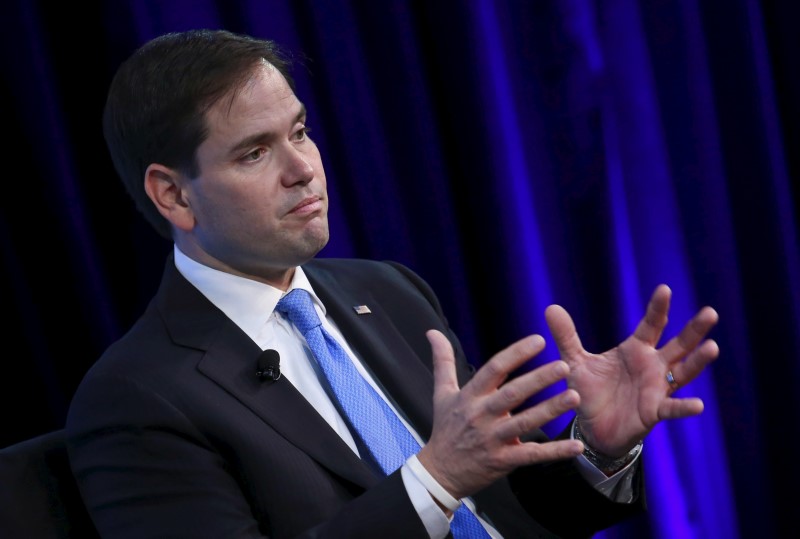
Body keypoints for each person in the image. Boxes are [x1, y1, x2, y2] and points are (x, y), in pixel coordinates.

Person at [64, 28, 720, 539]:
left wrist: (598, 448)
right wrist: (433, 480)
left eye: (300, 131)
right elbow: (445, 481)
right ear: (173, 194)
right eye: (255, 152)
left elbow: (507, 514)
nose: (303, 169)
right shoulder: (135, 399)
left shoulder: (390, 293)